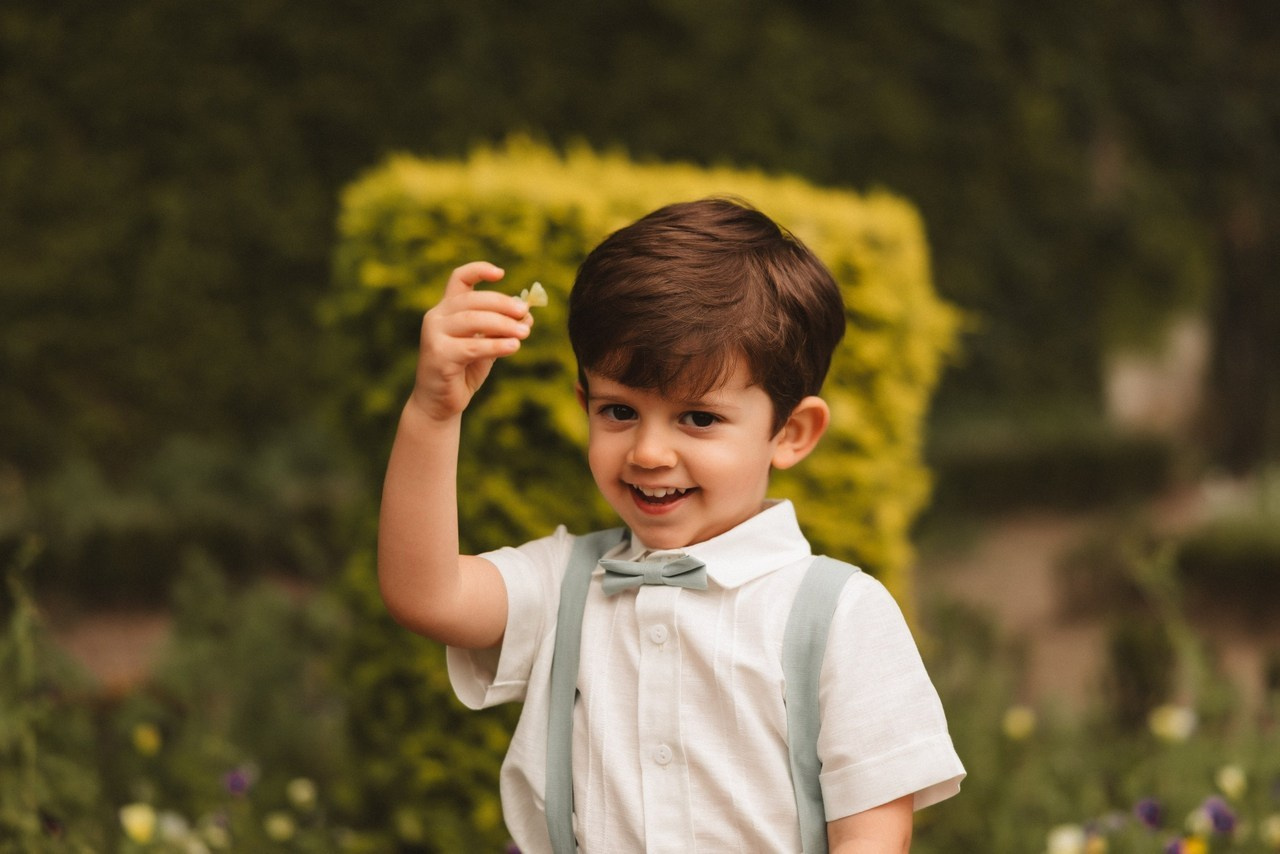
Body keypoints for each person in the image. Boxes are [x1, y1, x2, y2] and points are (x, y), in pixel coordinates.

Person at [378, 198, 964, 853]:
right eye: (620, 411)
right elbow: (424, 594)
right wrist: (433, 415)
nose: (649, 452)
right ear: (585, 405)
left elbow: (874, 833)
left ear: (791, 433)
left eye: (698, 418)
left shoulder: (838, 615)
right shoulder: (564, 584)